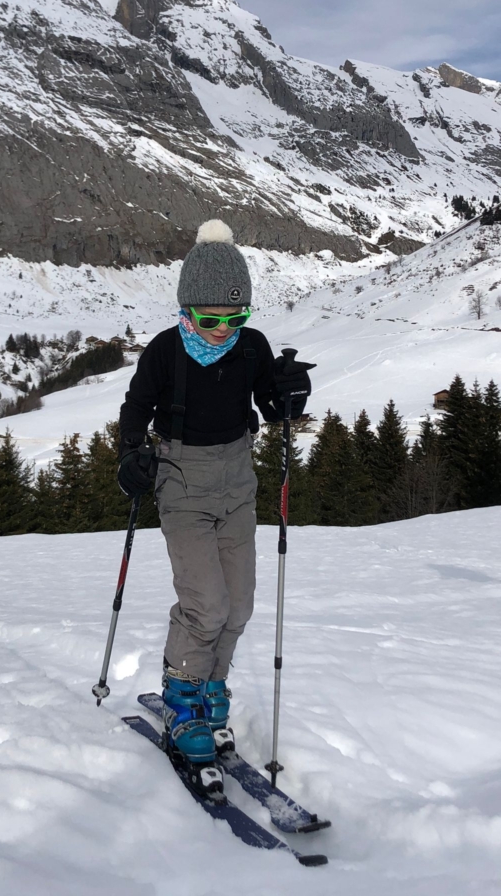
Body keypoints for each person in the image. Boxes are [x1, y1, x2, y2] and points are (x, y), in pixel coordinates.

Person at [117, 219, 314, 796]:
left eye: (236, 318)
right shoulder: (165, 352)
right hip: (181, 482)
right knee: (206, 604)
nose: (225, 330)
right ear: (186, 309)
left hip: (238, 480)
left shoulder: (249, 346)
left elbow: (270, 405)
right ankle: (183, 699)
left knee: (240, 604)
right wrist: (131, 453)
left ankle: (211, 691)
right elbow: (135, 408)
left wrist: (288, 394)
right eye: (211, 319)